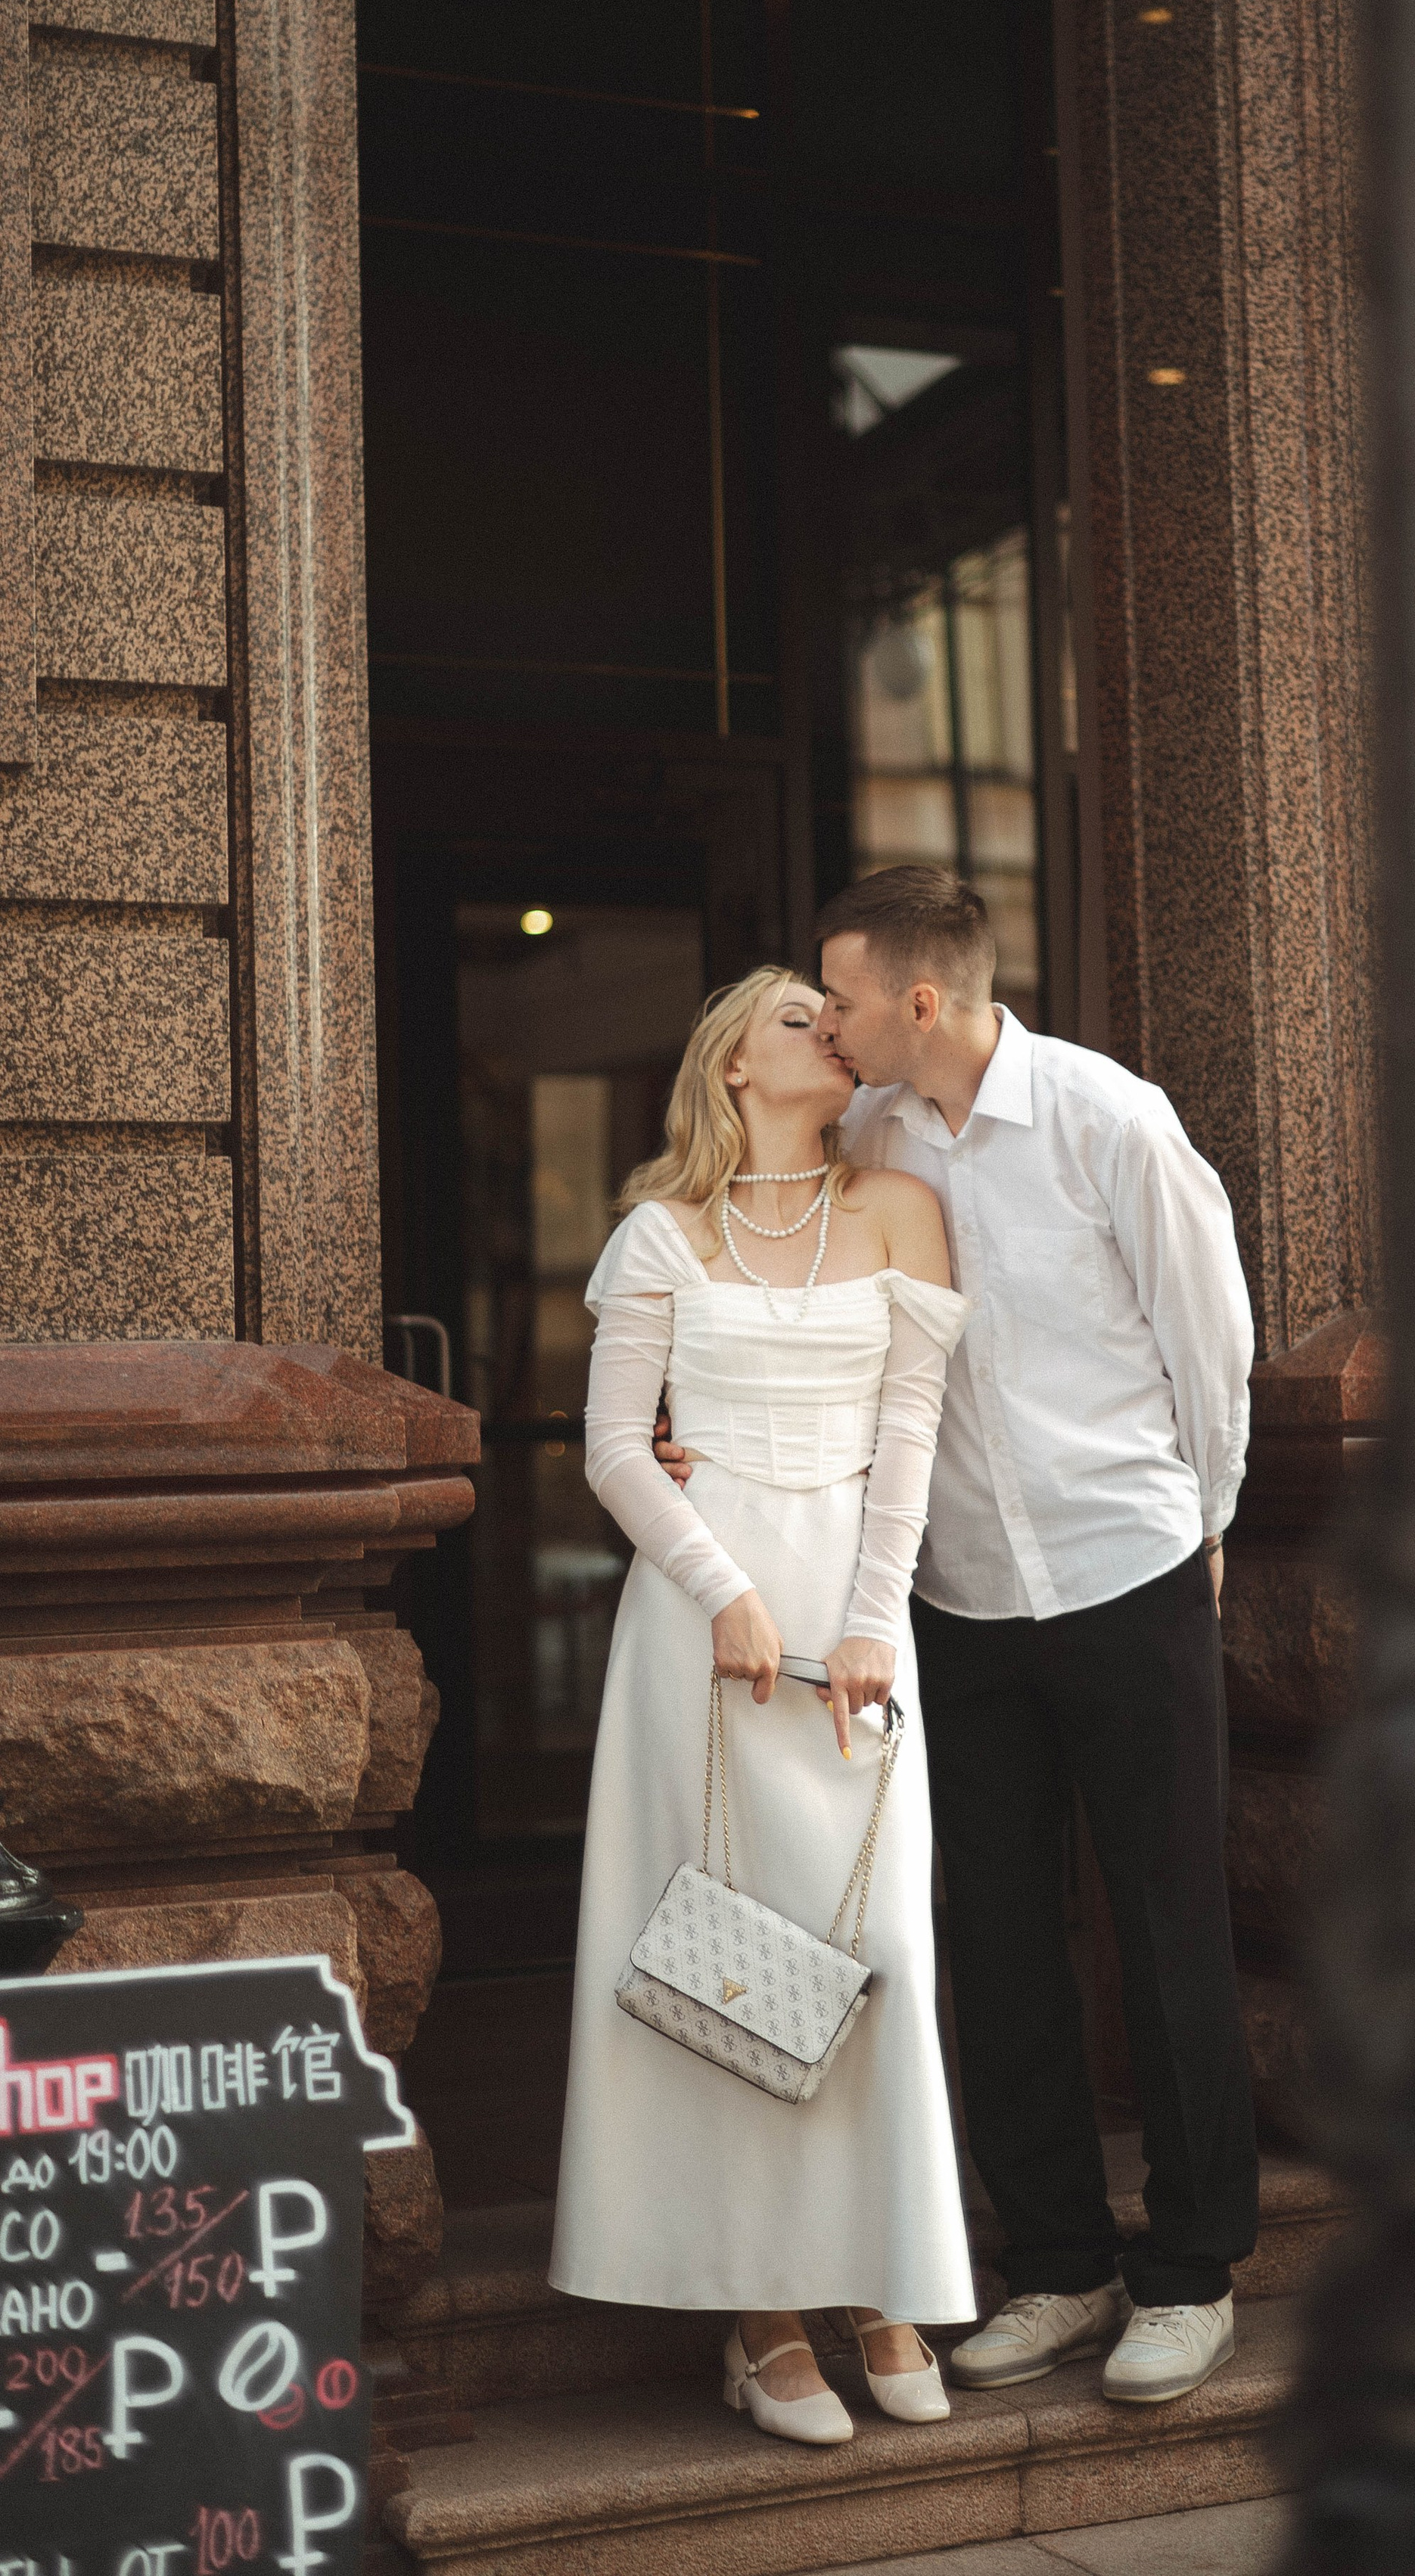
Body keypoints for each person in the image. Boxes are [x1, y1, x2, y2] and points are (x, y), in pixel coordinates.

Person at [660, 870, 1259, 2407]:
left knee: (1167, 1924)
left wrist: (1204, 1533)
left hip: (1128, 1574)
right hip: (953, 1600)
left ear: (915, 1002)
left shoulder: (1106, 1120)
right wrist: (688, 1439)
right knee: (990, 1941)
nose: (827, 1021)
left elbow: (1211, 1346)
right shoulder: (865, 1137)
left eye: (840, 997)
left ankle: (1190, 2275)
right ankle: (1057, 2262)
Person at [549, 963, 978, 2446]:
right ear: (733, 1064)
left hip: (856, 1623)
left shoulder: (898, 1212)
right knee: (725, 1964)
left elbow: (909, 1439)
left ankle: (880, 2281)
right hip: (700, 1621)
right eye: (798, 1016)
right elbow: (612, 1449)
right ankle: (762, 2314)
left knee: (876, 1959)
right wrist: (722, 1589)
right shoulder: (656, 1232)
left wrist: (869, 1620)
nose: (831, 1033)